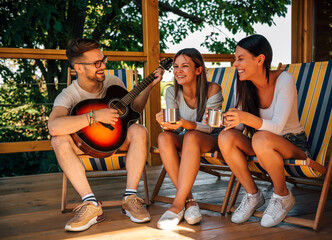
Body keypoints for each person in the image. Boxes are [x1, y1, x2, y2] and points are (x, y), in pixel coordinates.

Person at [48, 38, 163, 231]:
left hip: (117, 141)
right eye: (96, 63)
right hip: (85, 147)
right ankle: (91, 205)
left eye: (103, 59)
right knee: (58, 139)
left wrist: (149, 86)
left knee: (138, 129)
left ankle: (130, 199)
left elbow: (134, 110)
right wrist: (94, 117)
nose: (103, 66)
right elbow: (54, 126)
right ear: (79, 68)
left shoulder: (113, 83)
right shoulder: (69, 95)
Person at [218, 34, 312, 228]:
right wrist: (224, 121)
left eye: (240, 58)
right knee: (226, 136)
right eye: (235, 59)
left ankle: (282, 195)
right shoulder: (242, 83)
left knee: (260, 138)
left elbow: (277, 126)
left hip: (292, 144)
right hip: (260, 144)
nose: (235, 64)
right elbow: (241, 126)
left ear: (260, 59)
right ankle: (253, 194)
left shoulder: (284, 79)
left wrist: (245, 117)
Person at [155, 48, 223, 230]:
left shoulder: (212, 90)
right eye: (176, 67)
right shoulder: (171, 92)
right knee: (163, 138)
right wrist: (165, 124)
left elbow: (210, 127)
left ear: (198, 70)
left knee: (192, 136)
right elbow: (174, 127)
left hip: (213, 139)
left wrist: (184, 123)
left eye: (185, 66)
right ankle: (189, 201)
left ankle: (177, 205)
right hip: (186, 137)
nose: (178, 71)